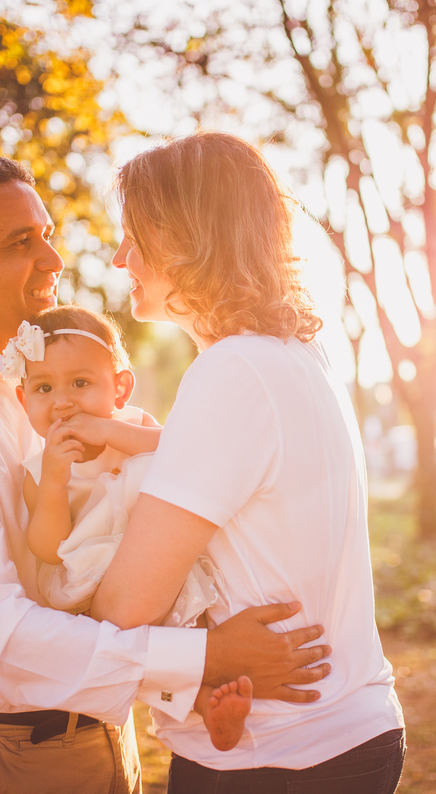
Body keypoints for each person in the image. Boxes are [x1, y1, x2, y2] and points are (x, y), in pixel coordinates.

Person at [0, 153, 332, 794]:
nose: (54, 262)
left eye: (48, 236)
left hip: (109, 732)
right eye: (20, 243)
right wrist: (205, 658)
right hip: (5, 755)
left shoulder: (65, 369)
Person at [90, 133, 406, 792]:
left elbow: (123, 603)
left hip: (276, 756)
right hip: (343, 735)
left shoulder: (232, 370)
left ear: (187, 236)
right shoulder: (295, 355)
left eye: (134, 237)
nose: (121, 259)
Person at [6, 304, 251, 751]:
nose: (63, 401)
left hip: (154, 553)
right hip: (91, 578)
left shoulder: (135, 428)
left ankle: (212, 685)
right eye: (44, 387)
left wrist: (108, 433)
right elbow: (46, 546)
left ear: (120, 388)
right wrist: (56, 483)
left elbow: (179, 452)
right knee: (129, 648)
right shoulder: (38, 471)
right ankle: (199, 701)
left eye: (80, 383)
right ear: (25, 401)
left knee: (183, 630)